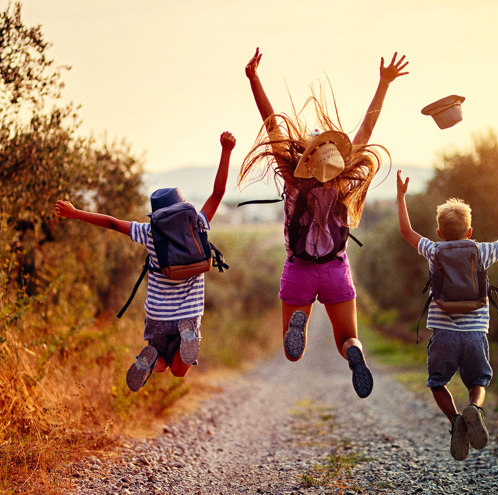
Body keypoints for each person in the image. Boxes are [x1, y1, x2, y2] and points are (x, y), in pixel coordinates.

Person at [239, 47, 409, 399]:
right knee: (347, 337)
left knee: (291, 352)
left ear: (303, 156)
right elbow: (367, 126)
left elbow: (271, 123)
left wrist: (254, 79)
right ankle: (355, 354)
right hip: (335, 270)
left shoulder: (293, 181)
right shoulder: (344, 181)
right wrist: (384, 83)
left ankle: (299, 324)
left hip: (299, 268)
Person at [55, 131, 236, 392]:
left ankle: (150, 358)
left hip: (157, 315)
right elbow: (217, 194)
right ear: (182, 208)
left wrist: (75, 213)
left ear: (157, 216)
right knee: (179, 371)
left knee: (161, 362)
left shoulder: (149, 233)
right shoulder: (197, 225)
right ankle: (187, 334)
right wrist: (226, 150)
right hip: (189, 313)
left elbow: (111, 222)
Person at [396, 170, 498, 460]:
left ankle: (455, 420)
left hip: (443, 335)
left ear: (439, 233)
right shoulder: (482, 251)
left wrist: (401, 197)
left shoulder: (433, 250)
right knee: (478, 381)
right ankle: (474, 408)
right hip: (475, 333)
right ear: (469, 231)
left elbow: (406, 231)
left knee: (437, 382)